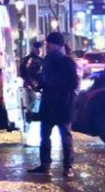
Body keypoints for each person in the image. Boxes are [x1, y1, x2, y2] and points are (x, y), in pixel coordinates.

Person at [31, 31, 80, 176]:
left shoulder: (67, 62)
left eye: (49, 44)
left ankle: (67, 167)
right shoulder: (48, 60)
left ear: (57, 45)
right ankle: (46, 164)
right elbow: (44, 78)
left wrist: (53, 87)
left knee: (64, 136)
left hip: (62, 103)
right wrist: (40, 84)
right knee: (46, 134)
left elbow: (73, 83)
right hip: (50, 103)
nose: (47, 46)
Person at [19, 37, 45, 123]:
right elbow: (24, 73)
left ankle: (29, 118)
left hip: (34, 86)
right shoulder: (30, 60)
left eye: (39, 49)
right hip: (30, 86)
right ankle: (29, 118)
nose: (39, 51)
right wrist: (32, 84)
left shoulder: (40, 60)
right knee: (31, 102)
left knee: (31, 103)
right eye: (37, 49)